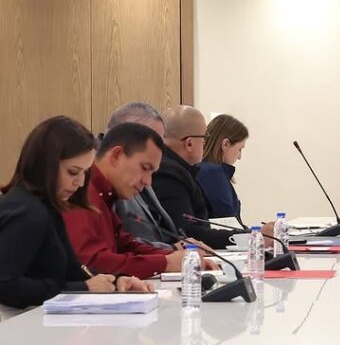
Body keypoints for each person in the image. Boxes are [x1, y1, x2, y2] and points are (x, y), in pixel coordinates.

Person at [0, 117, 149, 308]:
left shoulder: (48, 207)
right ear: (46, 165)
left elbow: (73, 270)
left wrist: (115, 281)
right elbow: (6, 285)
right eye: (72, 172)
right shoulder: (29, 212)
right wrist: (82, 288)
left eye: (84, 174)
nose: (79, 183)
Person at [64, 123, 210, 277]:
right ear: (117, 155)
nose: (148, 182)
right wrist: (165, 263)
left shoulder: (106, 194)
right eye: (145, 168)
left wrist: (173, 254)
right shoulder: (81, 192)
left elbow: (126, 246)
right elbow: (92, 263)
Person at [151, 105, 234, 249]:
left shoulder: (177, 168)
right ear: (189, 143)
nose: (204, 143)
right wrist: (246, 237)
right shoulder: (168, 174)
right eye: (204, 138)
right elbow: (188, 232)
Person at [105, 102, 179, 247]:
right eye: (152, 140)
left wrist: (182, 245)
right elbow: (117, 246)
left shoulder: (144, 168)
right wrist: (168, 251)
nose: (157, 149)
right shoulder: (100, 172)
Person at [197, 114, 248, 219]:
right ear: (225, 144)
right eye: (240, 149)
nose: (240, 157)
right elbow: (227, 221)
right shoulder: (211, 173)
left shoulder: (201, 170)